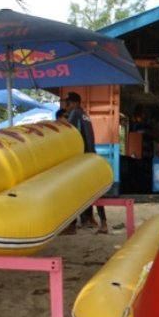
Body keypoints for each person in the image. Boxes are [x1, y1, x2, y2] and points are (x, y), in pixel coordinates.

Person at [62, 92, 108, 235]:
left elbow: (69, 136)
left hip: (81, 159)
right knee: (96, 192)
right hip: (91, 156)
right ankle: (103, 223)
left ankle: (71, 226)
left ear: (74, 103)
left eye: (67, 103)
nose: (66, 106)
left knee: (72, 192)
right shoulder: (85, 115)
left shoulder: (75, 114)